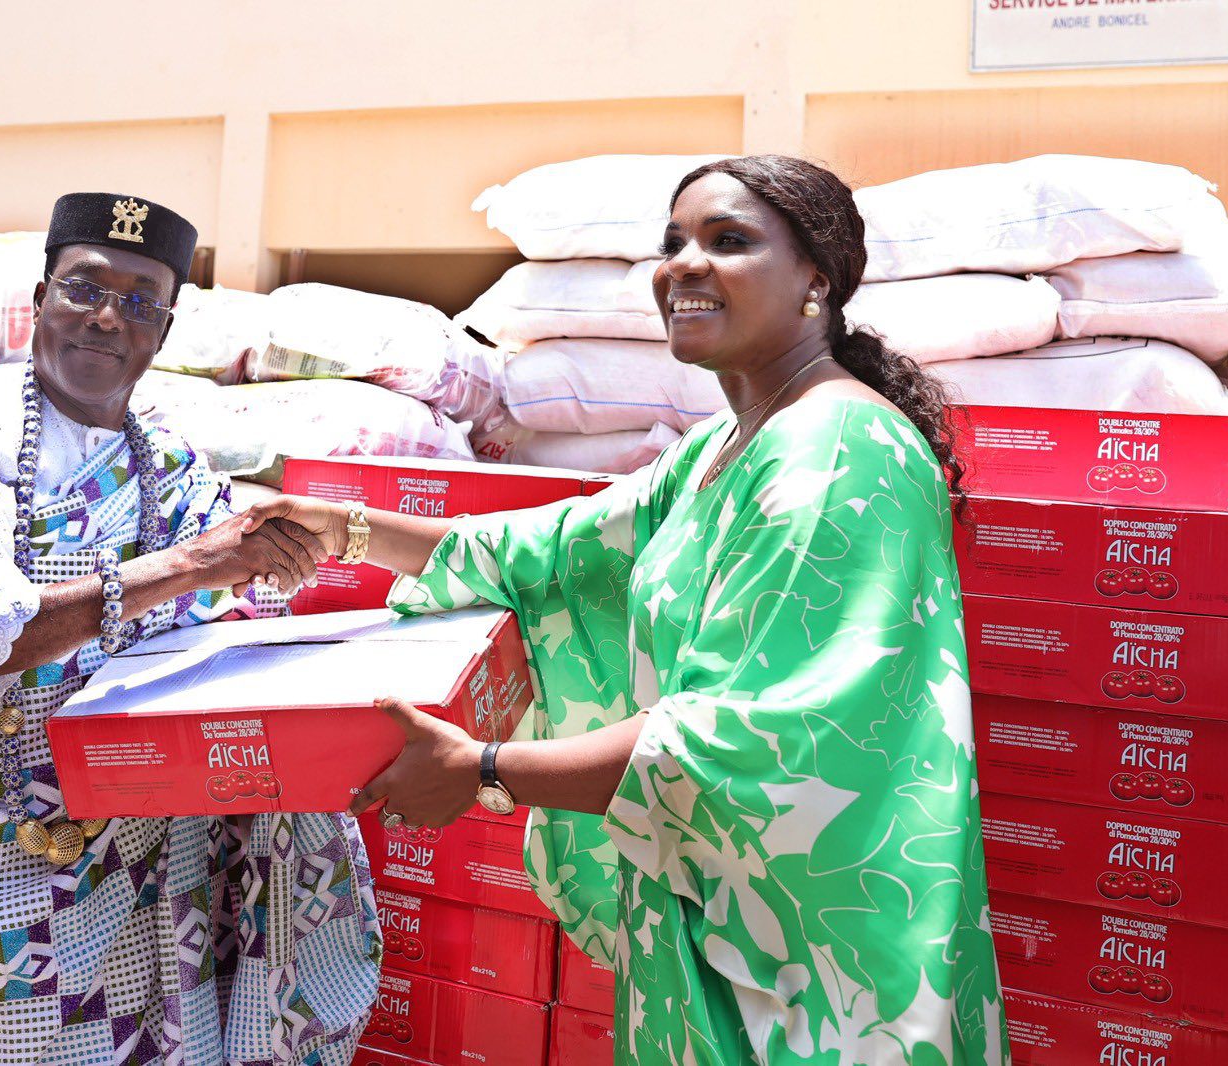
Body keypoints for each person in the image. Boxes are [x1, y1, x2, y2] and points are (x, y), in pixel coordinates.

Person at [248, 157, 1008, 1064]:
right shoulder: (722, 449)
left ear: (818, 278)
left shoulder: (836, 453)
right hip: (717, 927)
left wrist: (483, 768)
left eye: (728, 241)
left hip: (818, 971)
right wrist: (346, 529)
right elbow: (556, 553)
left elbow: (760, 737)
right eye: (673, 242)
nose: (684, 265)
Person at [0, 193, 377, 1064]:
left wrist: (284, 566)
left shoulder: (174, 465)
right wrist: (193, 566)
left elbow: (241, 618)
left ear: (165, 327)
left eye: (139, 300)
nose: (108, 316)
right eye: (84, 289)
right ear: (40, 297)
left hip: (114, 879)